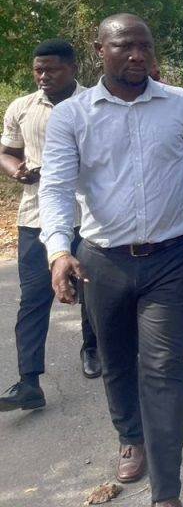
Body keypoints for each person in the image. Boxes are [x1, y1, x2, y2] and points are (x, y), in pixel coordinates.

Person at [40, 14, 183, 507]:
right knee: (116, 362)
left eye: (145, 46)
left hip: (172, 258)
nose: (137, 55)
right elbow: (55, 188)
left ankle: (167, 492)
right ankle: (130, 435)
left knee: (163, 368)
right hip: (102, 261)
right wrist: (57, 251)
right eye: (124, 46)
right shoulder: (72, 115)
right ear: (100, 51)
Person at [0, 41, 98, 415]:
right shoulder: (21, 108)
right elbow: (8, 151)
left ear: (72, 69)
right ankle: (28, 382)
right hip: (36, 217)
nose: (43, 76)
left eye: (51, 69)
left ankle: (92, 349)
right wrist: (16, 170)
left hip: (89, 218)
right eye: (38, 70)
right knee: (34, 298)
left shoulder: (94, 104)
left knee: (92, 293)